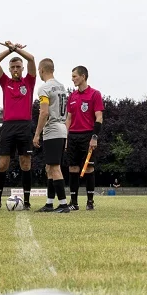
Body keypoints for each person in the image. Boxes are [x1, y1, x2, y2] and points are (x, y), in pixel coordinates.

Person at [0, 42, 37, 210]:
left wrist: (17, 50)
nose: (16, 69)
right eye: (13, 67)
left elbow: (31, 58)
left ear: (23, 68)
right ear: (9, 69)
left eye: (18, 66)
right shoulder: (5, 82)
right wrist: (9, 50)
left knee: (26, 163)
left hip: (24, 126)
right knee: (2, 163)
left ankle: (27, 201)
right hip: (8, 126)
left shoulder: (29, 82)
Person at [32, 58, 71, 213]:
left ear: (41, 70)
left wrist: (36, 134)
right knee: (49, 167)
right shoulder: (61, 87)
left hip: (53, 130)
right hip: (61, 128)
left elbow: (44, 112)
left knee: (54, 168)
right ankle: (49, 203)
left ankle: (63, 204)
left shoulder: (44, 88)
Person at [65, 65, 105, 210]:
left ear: (83, 76)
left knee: (88, 168)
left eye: (75, 76)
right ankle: (74, 202)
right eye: (72, 76)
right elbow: (68, 119)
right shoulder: (72, 96)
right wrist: (66, 137)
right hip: (73, 136)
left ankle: (90, 201)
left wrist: (94, 137)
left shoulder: (95, 94)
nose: (72, 79)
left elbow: (99, 117)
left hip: (87, 135)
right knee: (73, 168)